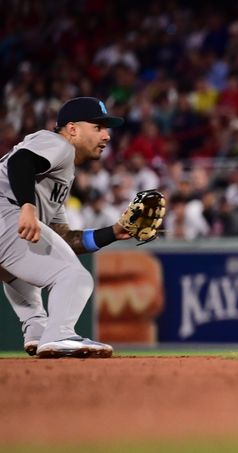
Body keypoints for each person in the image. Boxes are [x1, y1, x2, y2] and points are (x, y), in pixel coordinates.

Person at [0, 97, 133, 358]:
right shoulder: (59, 144)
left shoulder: (58, 174)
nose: (106, 135)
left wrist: (114, 232)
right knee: (75, 277)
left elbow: (64, 238)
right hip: (6, 212)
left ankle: (37, 332)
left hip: (7, 222)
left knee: (27, 276)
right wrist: (27, 206)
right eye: (98, 127)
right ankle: (59, 333)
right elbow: (21, 162)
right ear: (72, 129)